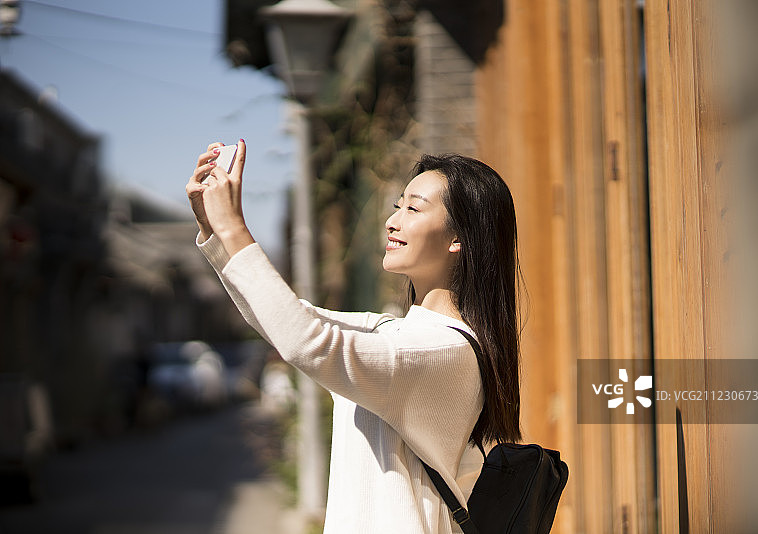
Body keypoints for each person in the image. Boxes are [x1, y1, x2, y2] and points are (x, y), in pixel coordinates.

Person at [186, 140, 522, 534]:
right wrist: (215, 232)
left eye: (413, 208)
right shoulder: (396, 333)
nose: (392, 220)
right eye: (398, 205)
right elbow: (283, 320)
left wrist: (234, 228)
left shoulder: (439, 350)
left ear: (458, 240)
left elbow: (305, 340)